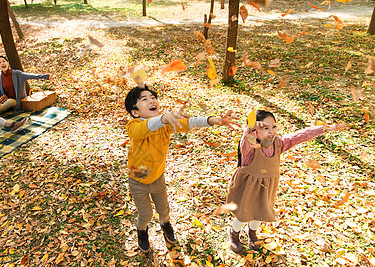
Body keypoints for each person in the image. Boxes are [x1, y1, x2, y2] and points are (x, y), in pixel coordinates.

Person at [125, 85, 239, 253]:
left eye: (153, 97)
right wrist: (164, 118)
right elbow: (144, 129)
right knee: (146, 215)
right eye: (145, 99)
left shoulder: (165, 124)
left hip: (158, 178)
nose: (152, 100)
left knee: (164, 210)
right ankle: (142, 231)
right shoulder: (134, 126)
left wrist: (213, 120)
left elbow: (188, 123)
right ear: (135, 112)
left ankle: (165, 224)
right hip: (138, 182)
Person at [225, 110, 347, 253]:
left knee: (260, 211)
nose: (271, 132)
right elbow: (246, 140)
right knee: (243, 214)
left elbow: (300, 136)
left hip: (266, 187)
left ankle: (252, 232)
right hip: (248, 187)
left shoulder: (278, 143)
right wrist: (250, 128)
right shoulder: (249, 149)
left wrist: (324, 128)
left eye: (274, 127)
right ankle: (234, 232)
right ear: (255, 131)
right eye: (265, 128)